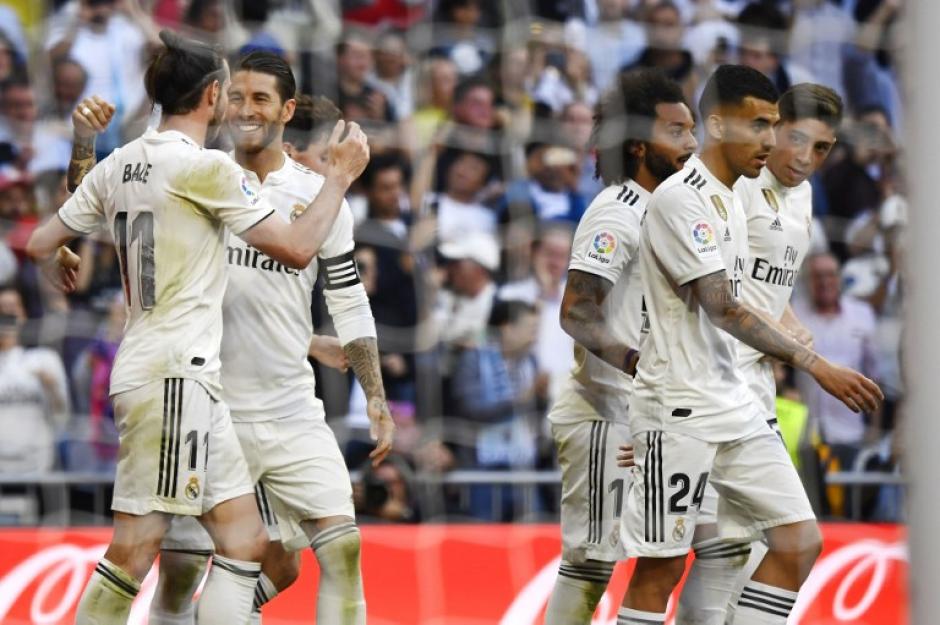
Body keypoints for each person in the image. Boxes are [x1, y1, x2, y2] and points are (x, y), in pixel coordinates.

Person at [25, 30, 369, 625]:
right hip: (173, 377)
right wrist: (337, 178)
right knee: (134, 554)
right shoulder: (208, 168)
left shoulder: (123, 159)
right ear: (212, 96)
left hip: (186, 380)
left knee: (245, 546)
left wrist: (58, 255)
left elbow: (36, 240)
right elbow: (292, 248)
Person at [615, 65, 881, 625]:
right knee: (668, 567)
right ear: (717, 124)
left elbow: (749, 289)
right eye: (767, 127)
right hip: (681, 408)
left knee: (797, 542)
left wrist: (788, 322)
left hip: (741, 401)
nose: (777, 143)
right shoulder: (684, 198)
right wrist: (815, 364)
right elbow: (723, 306)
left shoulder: (739, 198)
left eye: (774, 126)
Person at [677, 83, 844, 625]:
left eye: (821, 148)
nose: (804, 157)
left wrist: (791, 322)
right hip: (708, 384)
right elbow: (720, 293)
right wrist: (804, 357)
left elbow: (768, 286)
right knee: (759, 545)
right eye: (795, 138)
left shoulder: (804, 196)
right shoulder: (737, 185)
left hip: (756, 385)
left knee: (736, 549)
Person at [543, 69, 698, 625]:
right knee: (591, 563)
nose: (691, 144)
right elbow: (575, 312)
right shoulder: (616, 211)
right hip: (603, 416)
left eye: (692, 130)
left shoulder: (674, 212)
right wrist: (642, 365)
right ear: (638, 144)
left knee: (675, 553)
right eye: (677, 132)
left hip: (657, 418)